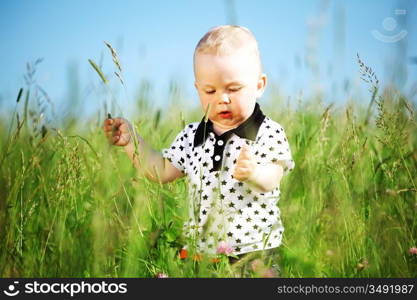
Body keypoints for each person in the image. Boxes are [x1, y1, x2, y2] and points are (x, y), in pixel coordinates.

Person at [103, 25, 295, 277]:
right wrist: (131, 142)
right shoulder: (193, 136)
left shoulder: (267, 132)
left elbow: (273, 178)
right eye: (210, 91)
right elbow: (160, 170)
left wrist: (254, 172)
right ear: (197, 89)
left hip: (254, 254)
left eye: (233, 89)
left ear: (259, 85)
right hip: (200, 255)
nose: (221, 98)